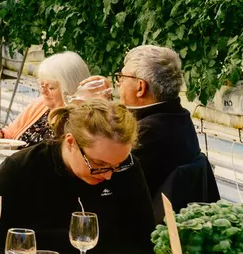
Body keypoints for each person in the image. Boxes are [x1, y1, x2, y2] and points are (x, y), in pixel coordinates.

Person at [0, 99, 155, 254]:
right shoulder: (21, 169)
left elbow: (144, 240)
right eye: (98, 164)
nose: (109, 174)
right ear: (71, 142)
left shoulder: (127, 168)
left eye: (118, 164)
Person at [78, 45, 202, 205]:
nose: (118, 84)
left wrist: (92, 112)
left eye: (121, 77)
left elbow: (102, 181)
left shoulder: (147, 132)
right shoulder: (179, 117)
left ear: (140, 87)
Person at [0, 51, 90, 145]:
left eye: (51, 87)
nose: (43, 91)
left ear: (71, 88)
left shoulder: (82, 119)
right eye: (42, 85)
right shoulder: (41, 104)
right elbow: (10, 134)